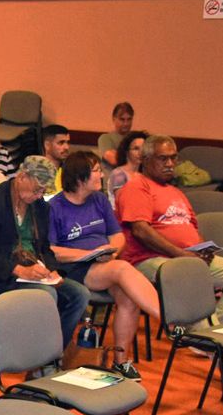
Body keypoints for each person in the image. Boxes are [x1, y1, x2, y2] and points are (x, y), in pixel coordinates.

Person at [0, 156, 90, 354]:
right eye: (37, 189)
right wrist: (18, 270)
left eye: (43, 191)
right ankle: (39, 356)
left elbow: (44, 248)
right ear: (22, 176)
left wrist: (52, 271)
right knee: (48, 295)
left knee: (80, 294)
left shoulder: (40, 207)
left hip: (32, 270)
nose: (39, 195)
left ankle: (54, 352)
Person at [47, 152, 163, 371]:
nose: (102, 174)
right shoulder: (55, 207)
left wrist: (111, 252)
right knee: (121, 269)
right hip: (76, 268)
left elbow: (118, 236)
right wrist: (87, 254)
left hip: (106, 264)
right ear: (80, 178)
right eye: (97, 170)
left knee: (128, 298)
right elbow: (51, 250)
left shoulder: (99, 200)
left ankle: (121, 363)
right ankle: (168, 320)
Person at [116, 135, 223, 326]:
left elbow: (192, 228)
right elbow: (141, 231)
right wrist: (183, 255)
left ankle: (220, 332)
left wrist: (202, 251)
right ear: (146, 160)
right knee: (188, 271)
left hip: (187, 257)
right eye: (163, 158)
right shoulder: (137, 187)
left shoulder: (176, 193)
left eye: (174, 158)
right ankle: (206, 339)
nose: (170, 164)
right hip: (147, 259)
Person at [109, 130, 147, 202]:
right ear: (126, 151)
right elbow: (121, 201)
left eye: (143, 149)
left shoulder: (145, 174)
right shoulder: (118, 173)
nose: (140, 153)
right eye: (136, 149)